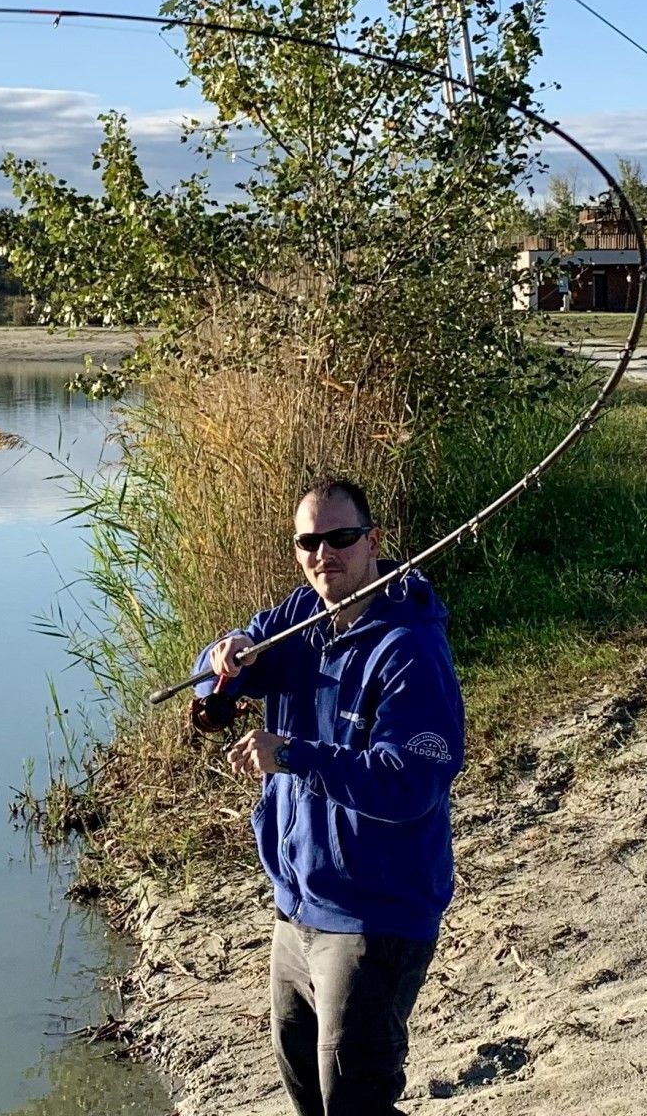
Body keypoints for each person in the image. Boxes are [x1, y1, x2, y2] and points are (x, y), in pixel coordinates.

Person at [195, 478, 465, 1116]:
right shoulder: (300, 618)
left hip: (375, 917)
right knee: (310, 1101)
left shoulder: (411, 649)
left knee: (353, 1101)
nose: (325, 554)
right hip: (297, 908)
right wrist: (222, 657)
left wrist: (293, 754)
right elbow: (228, 665)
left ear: (373, 542)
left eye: (341, 538)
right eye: (309, 542)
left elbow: (410, 782)